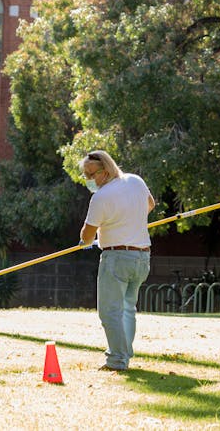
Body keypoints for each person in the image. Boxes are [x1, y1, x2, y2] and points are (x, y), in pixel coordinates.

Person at [79, 150, 155, 371]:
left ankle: (117, 359)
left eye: (92, 174)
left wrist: (85, 241)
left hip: (117, 258)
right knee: (127, 308)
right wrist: (129, 219)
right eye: (86, 175)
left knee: (110, 312)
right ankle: (124, 354)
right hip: (142, 256)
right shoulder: (136, 181)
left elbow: (87, 236)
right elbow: (149, 204)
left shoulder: (101, 197)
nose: (89, 180)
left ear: (105, 170)